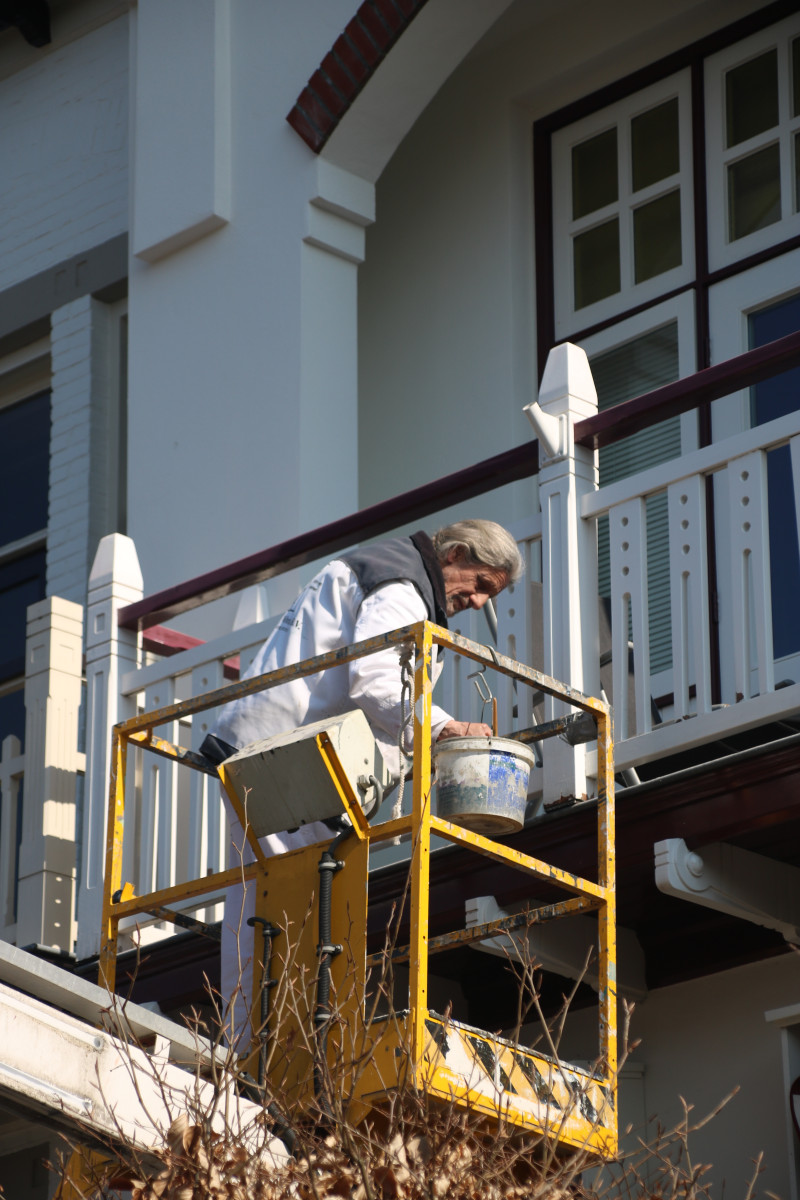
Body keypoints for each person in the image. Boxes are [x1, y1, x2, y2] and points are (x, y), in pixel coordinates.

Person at [201, 519, 523, 1044]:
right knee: (283, 913)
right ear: (457, 553)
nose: (481, 602)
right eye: (482, 584)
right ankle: (261, 1053)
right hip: (287, 762)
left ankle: (261, 1047)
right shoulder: (402, 587)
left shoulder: (393, 575)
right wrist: (443, 728)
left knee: (269, 911)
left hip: (285, 757)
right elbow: (377, 680)